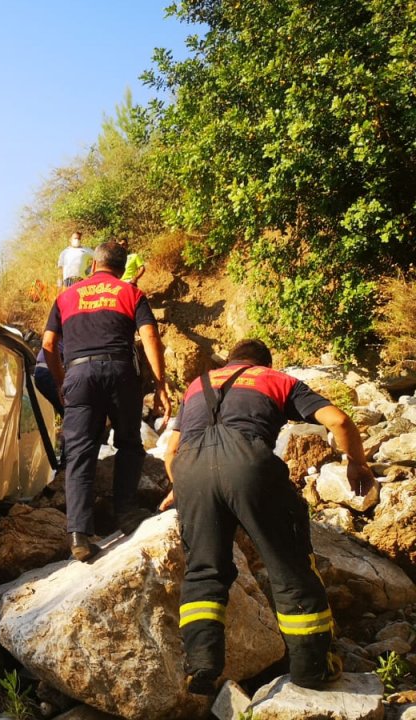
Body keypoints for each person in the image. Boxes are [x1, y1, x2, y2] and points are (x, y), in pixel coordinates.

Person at [158, 338, 375, 695]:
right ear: (266, 364)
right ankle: (312, 668)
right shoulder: (277, 380)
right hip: (249, 467)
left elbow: (171, 450)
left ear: (230, 360)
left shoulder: (199, 384)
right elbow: (338, 421)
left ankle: (202, 665)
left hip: (190, 471)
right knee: (288, 568)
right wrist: (357, 463)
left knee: (203, 570)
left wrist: (181, 486)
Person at [41, 241, 171, 561]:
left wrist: (61, 382)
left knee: (80, 452)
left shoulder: (66, 296)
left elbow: (48, 343)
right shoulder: (131, 293)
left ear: (93, 265)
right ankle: (126, 513)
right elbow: (150, 337)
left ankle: (78, 535)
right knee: (128, 442)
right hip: (120, 371)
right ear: (122, 266)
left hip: (78, 375)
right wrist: (160, 385)